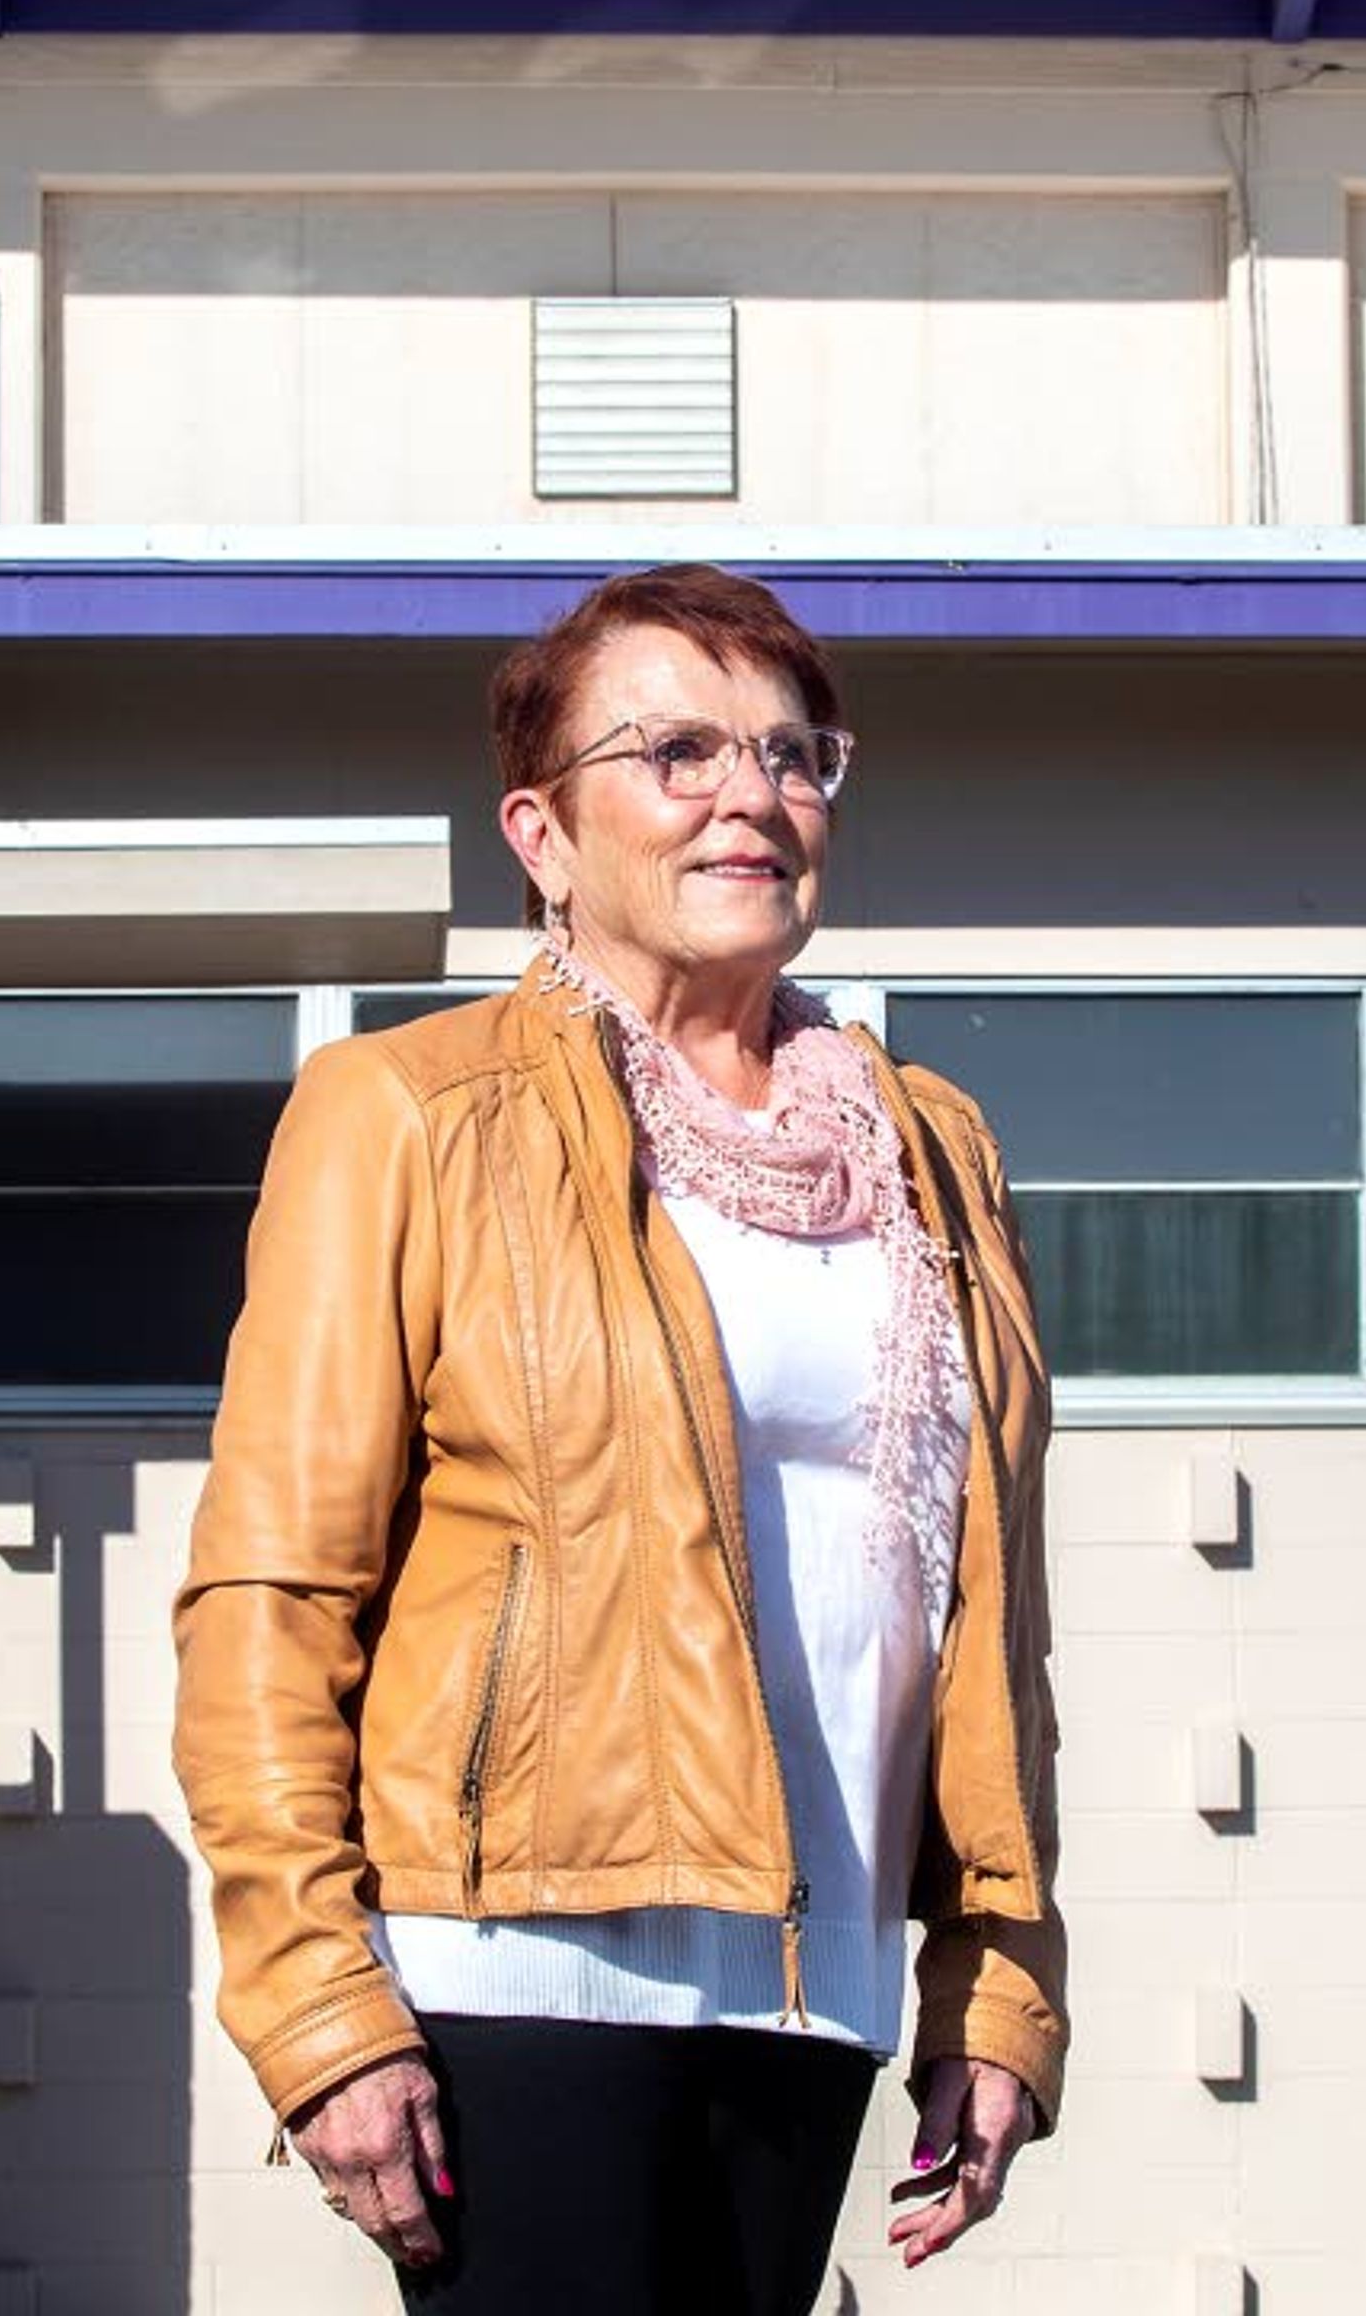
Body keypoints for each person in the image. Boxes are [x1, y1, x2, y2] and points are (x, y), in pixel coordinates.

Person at [173, 564, 1067, 2312]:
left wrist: (1000, 1973)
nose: (754, 796)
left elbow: (988, 1620)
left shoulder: (933, 1146)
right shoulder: (410, 1114)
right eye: (677, 750)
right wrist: (310, 1995)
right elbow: (274, 1590)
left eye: (796, 753)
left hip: (814, 1978)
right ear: (544, 831)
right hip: (516, 1963)